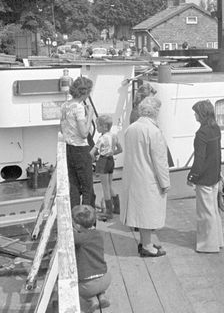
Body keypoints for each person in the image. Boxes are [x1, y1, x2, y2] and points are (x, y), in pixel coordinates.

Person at [121, 96, 170, 257]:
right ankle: (147, 246)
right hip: (149, 177)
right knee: (148, 213)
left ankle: (144, 242)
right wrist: (165, 182)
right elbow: (160, 161)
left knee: (140, 211)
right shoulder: (154, 131)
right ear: (155, 112)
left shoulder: (131, 128)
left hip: (133, 176)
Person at [186, 100, 224, 253]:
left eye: (196, 113)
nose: (194, 115)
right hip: (214, 175)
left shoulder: (201, 134)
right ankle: (217, 241)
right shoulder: (216, 129)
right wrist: (219, 173)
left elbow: (199, 159)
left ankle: (208, 245)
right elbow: (218, 154)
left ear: (202, 114)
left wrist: (192, 177)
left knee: (205, 213)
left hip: (204, 178)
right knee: (213, 210)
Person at [61, 77, 96, 208]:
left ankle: (74, 214)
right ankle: (87, 216)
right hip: (80, 149)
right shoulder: (79, 108)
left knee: (74, 185)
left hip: (68, 148)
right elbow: (84, 133)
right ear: (85, 93)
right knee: (87, 186)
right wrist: (90, 115)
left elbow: (62, 128)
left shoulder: (65, 105)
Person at [72, 205, 111, 313]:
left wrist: (71, 229)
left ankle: (92, 300)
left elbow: (71, 236)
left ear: (78, 226)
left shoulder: (80, 238)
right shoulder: (98, 234)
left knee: (75, 287)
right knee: (97, 284)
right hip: (105, 279)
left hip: (87, 286)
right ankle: (102, 296)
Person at [90, 114, 122, 220]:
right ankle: (117, 207)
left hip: (103, 161)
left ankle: (108, 212)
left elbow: (92, 153)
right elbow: (120, 149)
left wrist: (94, 160)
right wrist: (111, 153)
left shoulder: (102, 139)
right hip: (111, 160)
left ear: (104, 126)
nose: (97, 128)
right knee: (110, 185)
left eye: (98, 126)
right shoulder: (114, 136)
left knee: (105, 187)